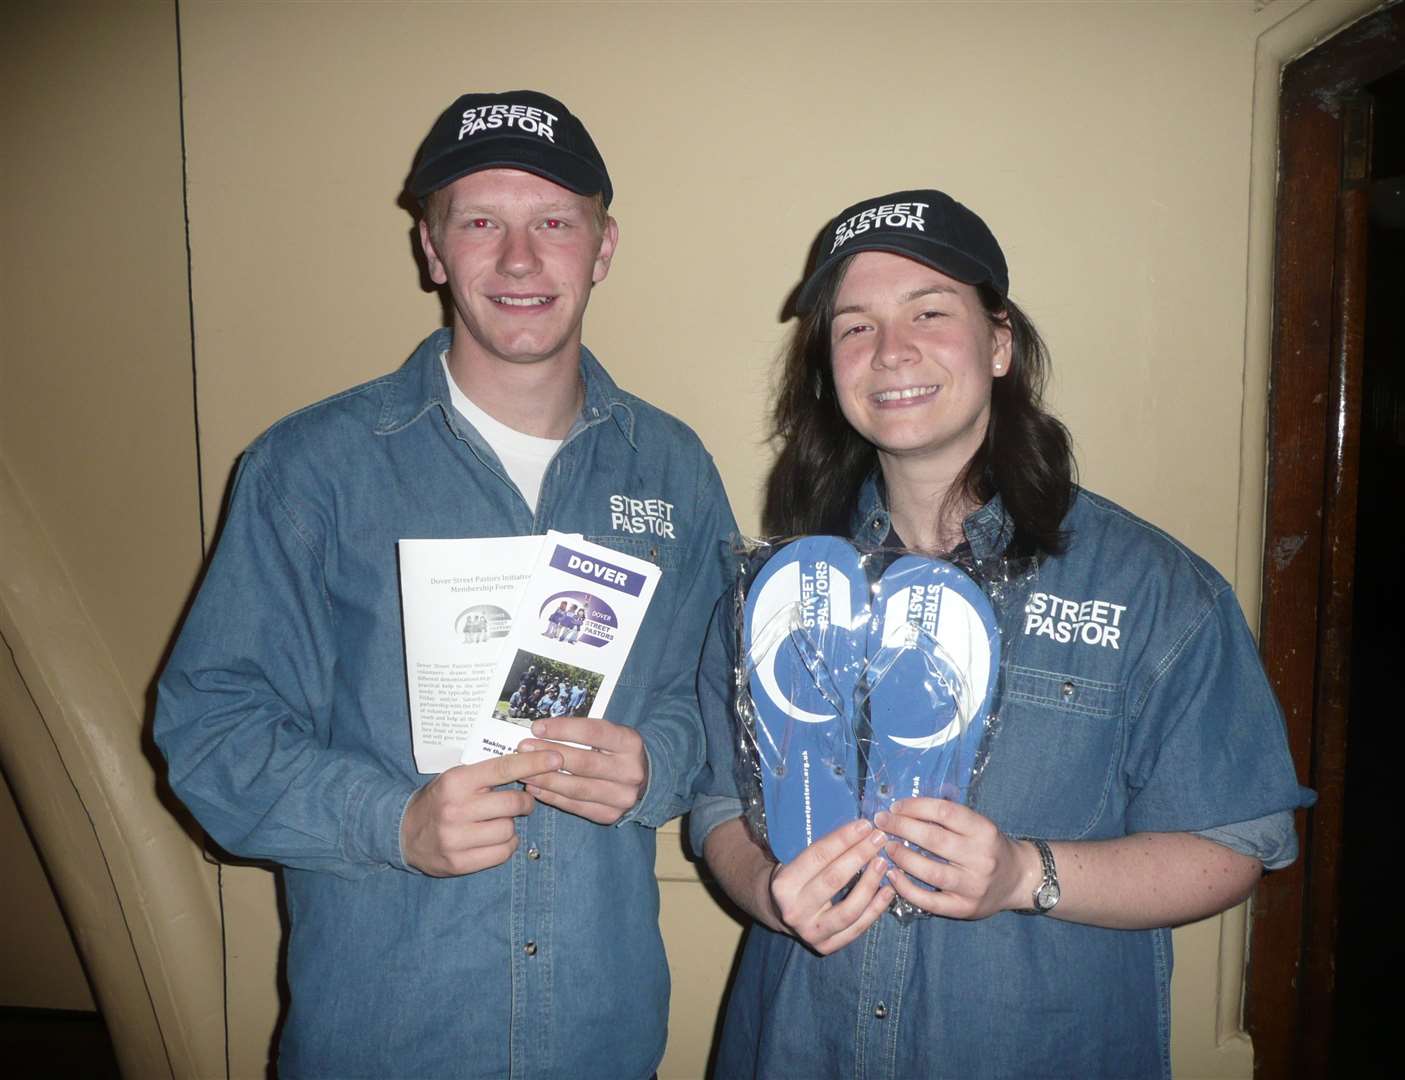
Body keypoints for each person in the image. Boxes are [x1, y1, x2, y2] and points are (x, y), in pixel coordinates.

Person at [154, 90, 736, 1079]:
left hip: (602, 1035)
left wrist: (658, 762)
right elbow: (209, 731)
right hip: (385, 1039)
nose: (519, 259)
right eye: (480, 222)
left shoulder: (671, 470)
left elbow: (722, 700)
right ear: (432, 250)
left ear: (601, 247)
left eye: (553, 221)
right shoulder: (309, 469)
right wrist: (393, 822)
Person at [689, 189, 1313, 1079]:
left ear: (999, 342)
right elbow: (720, 805)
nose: (891, 351)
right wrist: (768, 892)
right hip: (797, 1048)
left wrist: (1024, 876)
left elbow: (1234, 846)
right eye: (854, 327)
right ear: (827, 368)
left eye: (930, 312)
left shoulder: (1153, 589)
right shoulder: (777, 590)